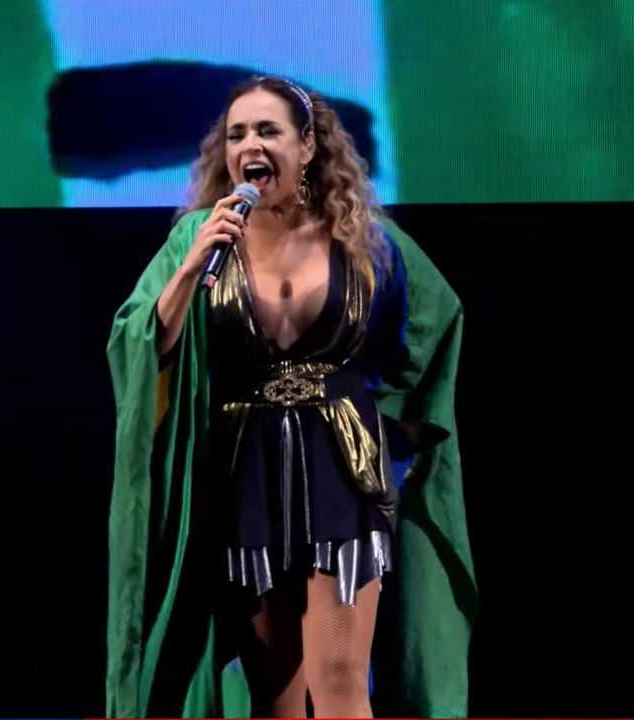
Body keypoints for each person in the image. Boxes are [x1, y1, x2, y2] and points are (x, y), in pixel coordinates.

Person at [106, 75, 477, 718]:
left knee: (339, 682)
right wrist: (192, 265)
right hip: (245, 471)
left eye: (267, 131)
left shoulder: (362, 237)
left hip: (341, 469)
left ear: (306, 146)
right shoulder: (198, 236)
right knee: (273, 689)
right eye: (236, 134)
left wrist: (399, 425)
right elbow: (141, 343)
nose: (249, 145)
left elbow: (436, 322)